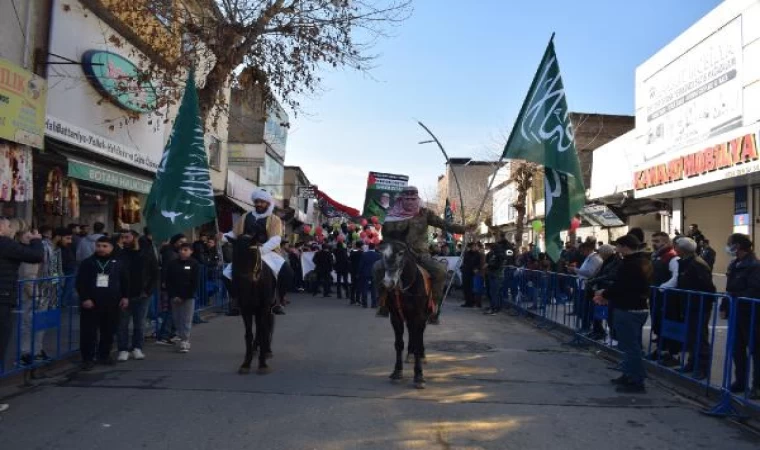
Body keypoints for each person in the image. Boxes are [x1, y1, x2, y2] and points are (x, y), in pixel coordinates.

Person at [372, 186, 470, 323]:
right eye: (407, 199)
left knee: (440, 271)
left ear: (417, 199)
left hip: (420, 254)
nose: (410, 202)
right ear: (401, 199)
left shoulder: (425, 213)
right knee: (377, 267)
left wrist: (463, 229)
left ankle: (434, 307)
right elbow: (387, 236)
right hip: (398, 254)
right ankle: (382, 303)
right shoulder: (391, 216)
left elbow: (444, 224)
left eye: (413, 199)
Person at [595, 234, 653, 394]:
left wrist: (605, 294)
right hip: (637, 307)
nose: (616, 249)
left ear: (625, 247)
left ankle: (636, 380)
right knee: (628, 345)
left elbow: (622, 286)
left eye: (618, 246)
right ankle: (628, 374)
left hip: (629, 308)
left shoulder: (631, 264)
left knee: (631, 346)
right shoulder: (643, 261)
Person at [0, 221, 43, 413]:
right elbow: (35, 256)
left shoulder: (8, 245)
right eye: (9, 226)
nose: (12, 230)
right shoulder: (4, 243)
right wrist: (35, 241)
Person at [226, 189, 290, 315]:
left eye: (262, 202)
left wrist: (262, 249)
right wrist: (222, 236)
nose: (259, 204)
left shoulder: (274, 219)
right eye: (257, 201)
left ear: (267, 203)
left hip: (268, 252)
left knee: (287, 272)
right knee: (226, 274)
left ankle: (279, 301)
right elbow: (234, 233)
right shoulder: (245, 216)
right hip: (247, 252)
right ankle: (235, 301)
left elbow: (276, 238)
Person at [76, 237, 129, 370]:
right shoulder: (88, 263)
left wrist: (125, 297)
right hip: (92, 303)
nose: (101, 249)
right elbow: (80, 283)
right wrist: (85, 298)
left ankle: (104, 355)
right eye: (99, 246)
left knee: (108, 331)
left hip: (112, 303)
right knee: (89, 332)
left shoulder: (118, 263)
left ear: (111, 248)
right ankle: (87, 359)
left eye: (105, 246)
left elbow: (125, 281)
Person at [673, 237, 716, 380]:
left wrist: (703, 301)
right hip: (688, 303)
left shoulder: (697, 264)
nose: (675, 248)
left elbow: (708, 287)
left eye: (676, 246)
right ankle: (692, 363)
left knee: (700, 336)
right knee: (691, 336)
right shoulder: (684, 262)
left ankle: (702, 368)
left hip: (699, 305)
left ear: (682, 249)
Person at [724, 233, 760, 399]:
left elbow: (754, 290)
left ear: (737, 246)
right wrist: (725, 305)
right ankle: (740, 381)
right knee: (737, 349)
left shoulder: (754, 266)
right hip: (736, 312)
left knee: (755, 350)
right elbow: (729, 287)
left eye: (729, 244)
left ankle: (757, 386)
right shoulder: (734, 264)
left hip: (751, 314)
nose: (728, 247)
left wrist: (736, 298)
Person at [117, 231, 158, 361]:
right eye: (123, 237)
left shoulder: (147, 253)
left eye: (127, 237)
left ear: (135, 238)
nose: (124, 240)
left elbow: (154, 273)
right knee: (122, 324)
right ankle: (123, 349)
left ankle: (137, 348)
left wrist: (148, 290)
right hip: (124, 294)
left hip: (142, 294)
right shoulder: (121, 254)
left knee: (139, 323)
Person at [650, 232, 680, 365]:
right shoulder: (656, 256)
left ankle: (672, 354)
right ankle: (661, 350)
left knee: (667, 324)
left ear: (666, 242)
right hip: (656, 295)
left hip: (667, 297)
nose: (654, 243)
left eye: (657, 241)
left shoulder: (672, 257)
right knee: (657, 322)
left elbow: (676, 277)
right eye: (653, 241)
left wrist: (662, 287)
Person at [165, 243, 200, 353]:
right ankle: (180, 336)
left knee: (186, 318)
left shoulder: (194, 264)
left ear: (191, 251)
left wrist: (184, 296)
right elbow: (168, 280)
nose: (182, 252)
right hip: (174, 296)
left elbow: (195, 282)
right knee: (176, 318)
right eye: (181, 250)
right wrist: (173, 295)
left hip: (188, 297)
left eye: (185, 250)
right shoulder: (172, 264)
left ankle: (185, 340)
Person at [157, 233, 186, 345]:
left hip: (175, 284)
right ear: (175, 242)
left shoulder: (175, 253)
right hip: (172, 286)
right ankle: (164, 335)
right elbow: (167, 269)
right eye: (180, 242)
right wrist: (165, 283)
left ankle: (171, 334)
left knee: (175, 310)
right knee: (171, 310)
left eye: (184, 242)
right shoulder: (170, 254)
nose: (183, 244)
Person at [484, 239, 507, 315]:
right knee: (495, 293)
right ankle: (496, 307)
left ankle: (494, 309)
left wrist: (489, 265)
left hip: (496, 276)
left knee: (494, 293)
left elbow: (497, 265)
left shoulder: (499, 255)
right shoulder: (496, 254)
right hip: (494, 275)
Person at [358, 243, 382, 308]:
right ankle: (374, 304)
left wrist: (359, 273)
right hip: (375, 274)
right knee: (374, 289)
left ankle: (364, 303)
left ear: (368, 247)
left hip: (365, 273)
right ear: (374, 247)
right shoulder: (378, 255)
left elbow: (361, 265)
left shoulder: (364, 254)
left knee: (364, 289)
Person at [461, 242, 481, 308]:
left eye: (475, 246)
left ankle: (473, 302)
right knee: (466, 288)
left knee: (473, 288)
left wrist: (477, 268)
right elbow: (464, 262)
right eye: (472, 246)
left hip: (473, 273)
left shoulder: (478, 254)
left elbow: (479, 264)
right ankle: (467, 302)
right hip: (466, 272)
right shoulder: (466, 253)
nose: (474, 248)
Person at [349, 241, 364, 305]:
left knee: (353, 286)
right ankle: (358, 299)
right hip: (360, 271)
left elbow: (349, 261)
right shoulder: (363, 254)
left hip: (353, 271)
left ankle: (352, 300)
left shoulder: (352, 253)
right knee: (359, 286)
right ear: (361, 246)